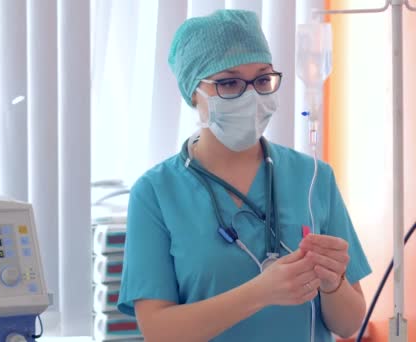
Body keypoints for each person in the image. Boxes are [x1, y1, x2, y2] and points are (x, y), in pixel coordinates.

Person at [117, 9, 371, 342]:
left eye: (263, 79)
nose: (251, 95)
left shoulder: (313, 178)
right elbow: (158, 331)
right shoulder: (155, 193)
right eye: (230, 83)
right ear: (194, 91)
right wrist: (260, 293)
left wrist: (332, 282)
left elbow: (350, 324)